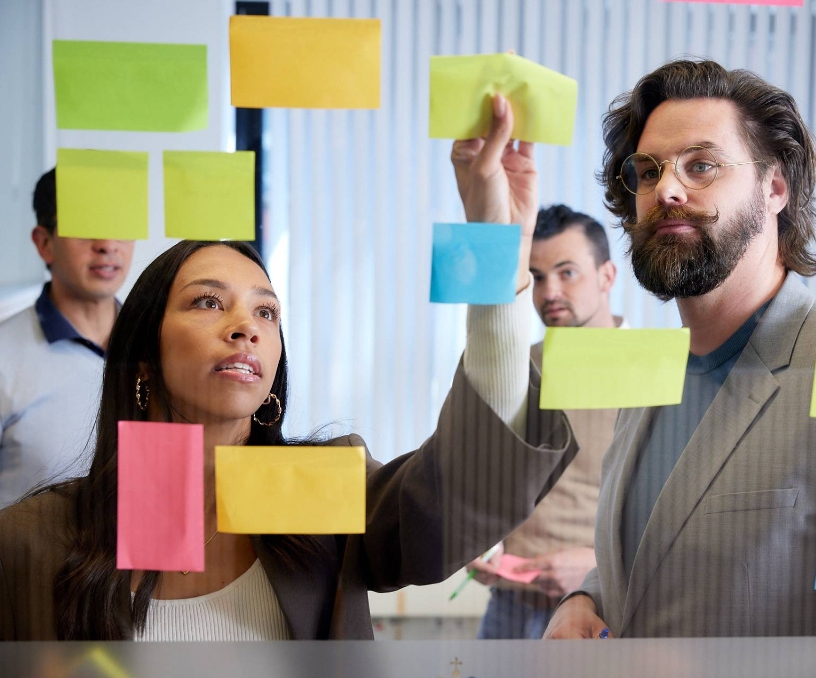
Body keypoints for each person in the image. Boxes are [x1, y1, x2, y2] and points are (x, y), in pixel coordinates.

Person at [0, 96, 578, 641]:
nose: (246, 326)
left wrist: (499, 257)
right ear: (143, 358)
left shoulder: (316, 491)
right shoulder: (33, 541)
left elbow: (461, 493)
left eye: (267, 311)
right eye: (207, 301)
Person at [543, 59, 816, 639]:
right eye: (648, 172)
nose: (667, 188)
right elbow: (661, 553)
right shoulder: (654, 374)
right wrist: (585, 598)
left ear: (775, 187)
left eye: (701, 165)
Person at [470, 204, 623, 639]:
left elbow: (675, 513)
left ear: (607, 276)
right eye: (536, 277)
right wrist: (478, 542)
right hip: (510, 606)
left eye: (567, 272)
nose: (549, 290)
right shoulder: (515, 367)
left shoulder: (656, 371)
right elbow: (485, 481)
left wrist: (596, 566)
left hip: (600, 607)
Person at [0, 168, 134, 507]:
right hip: (26, 559)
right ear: (45, 243)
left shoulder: (158, 345)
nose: (107, 245)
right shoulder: (5, 353)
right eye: (85, 225)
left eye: (120, 224)